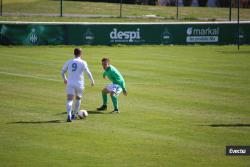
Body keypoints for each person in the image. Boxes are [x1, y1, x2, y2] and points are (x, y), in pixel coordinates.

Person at [61, 48, 94, 122]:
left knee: (69, 99)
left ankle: (69, 114)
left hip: (70, 83)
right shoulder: (83, 62)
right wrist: (92, 80)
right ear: (81, 54)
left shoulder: (69, 62)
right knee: (78, 98)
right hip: (79, 84)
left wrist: (65, 79)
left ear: (74, 53)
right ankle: (74, 114)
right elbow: (87, 72)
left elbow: (62, 72)